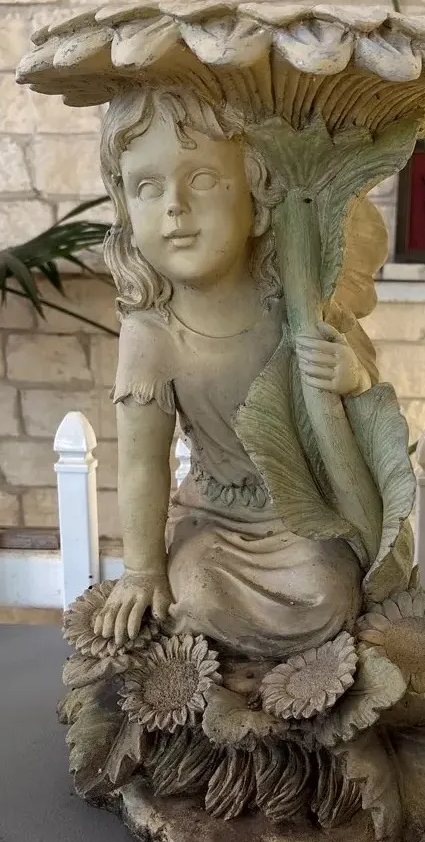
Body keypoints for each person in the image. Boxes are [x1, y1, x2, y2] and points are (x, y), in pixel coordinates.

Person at [93, 85, 384, 658]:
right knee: (197, 595)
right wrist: (142, 570)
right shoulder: (150, 335)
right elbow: (142, 463)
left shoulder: (293, 303)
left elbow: (366, 383)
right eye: (147, 187)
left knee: (330, 594)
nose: (175, 206)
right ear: (125, 210)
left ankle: (296, 677)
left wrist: (351, 374)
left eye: (202, 179)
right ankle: (215, 675)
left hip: (300, 517)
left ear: (258, 202)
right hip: (212, 522)